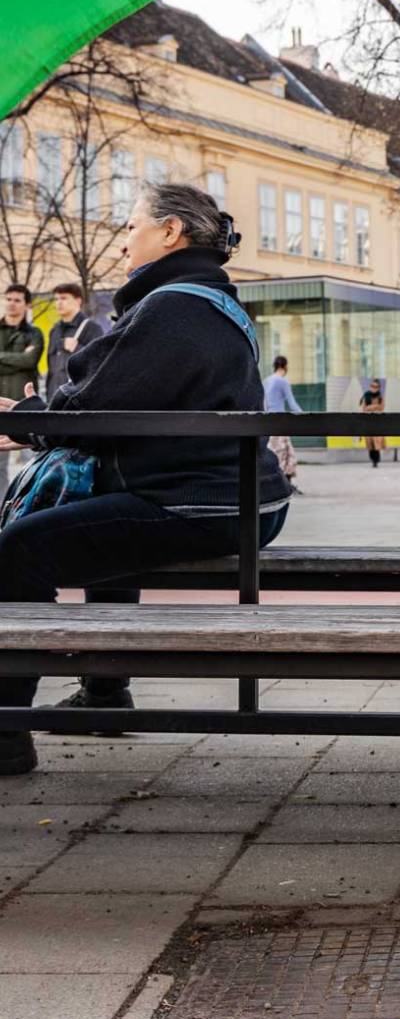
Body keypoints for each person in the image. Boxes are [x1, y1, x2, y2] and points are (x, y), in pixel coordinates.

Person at [0, 183, 291, 775]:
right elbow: (118, 395)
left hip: (208, 504)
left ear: (170, 232)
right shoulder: (206, 298)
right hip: (234, 497)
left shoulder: (174, 306)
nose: (123, 238)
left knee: (16, 551)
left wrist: (27, 421)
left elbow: (99, 402)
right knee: (108, 519)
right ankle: (105, 695)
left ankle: (6, 731)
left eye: (131, 226)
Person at [0, 284, 42, 502]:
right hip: (0, 405)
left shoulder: (34, 333)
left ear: (27, 305)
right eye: (8, 299)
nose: (11, 303)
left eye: (17, 300)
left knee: (31, 458)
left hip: (24, 405)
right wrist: (15, 360)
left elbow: (29, 360)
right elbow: (22, 361)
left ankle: (27, 505)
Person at [45, 282, 105, 399]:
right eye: (56, 299)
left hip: (77, 399)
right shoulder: (54, 330)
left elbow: (99, 363)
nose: (59, 303)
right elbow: (51, 370)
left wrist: (77, 349)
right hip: (53, 397)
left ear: (78, 300)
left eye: (64, 298)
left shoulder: (92, 328)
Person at [263, 355, 302, 488]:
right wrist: (304, 417)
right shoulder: (282, 381)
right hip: (280, 422)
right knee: (286, 455)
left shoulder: (267, 381)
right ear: (285, 366)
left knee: (274, 453)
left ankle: (279, 484)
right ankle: (283, 486)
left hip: (268, 422)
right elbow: (292, 403)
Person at [360, 378, 386, 467]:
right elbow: (364, 409)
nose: (373, 388)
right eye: (372, 386)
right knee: (369, 442)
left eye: (375, 386)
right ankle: (373, 460)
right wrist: (374, 407)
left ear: (378, 388)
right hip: (368, 422)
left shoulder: (380, 397)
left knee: (377, 442)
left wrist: (371, 407)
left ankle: (376, 460)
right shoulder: (366, 396)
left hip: (377, 422)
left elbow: (381, 408)